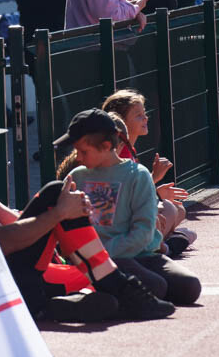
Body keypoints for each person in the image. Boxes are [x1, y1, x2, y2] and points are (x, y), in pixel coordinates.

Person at [0, 104, 175, 322]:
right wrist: (58, 214)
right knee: (57, 196)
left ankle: (83, 296)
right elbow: (2, 241)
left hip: (9, 273)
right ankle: (98, 291)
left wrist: (57, 224)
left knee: (115, 293)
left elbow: (9, 219)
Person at [59, 109, 201, 306]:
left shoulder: (138, 175)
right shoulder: (77, 176)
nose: (79, 158)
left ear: (107, 146)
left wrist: (108, 252)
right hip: (97, 260)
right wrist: (96, 257)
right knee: (155, 286)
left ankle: (113, 295)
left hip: (140, 254)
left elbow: (143, 231)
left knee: (189, 287)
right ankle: (103, 301)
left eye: (84, 152)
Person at [101, 90, 193, 256]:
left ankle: (164, 240)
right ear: (122, 122)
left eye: (144, 113)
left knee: (178, 209)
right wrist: (154, 180)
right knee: (170, 209)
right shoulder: (119, 153)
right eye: (138, 115)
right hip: (121, 223)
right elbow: (123, 195)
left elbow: (133, 188)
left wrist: (156, 190)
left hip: (129, 216)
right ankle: (161, 246)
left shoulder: (130, 149)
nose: (145, 118)